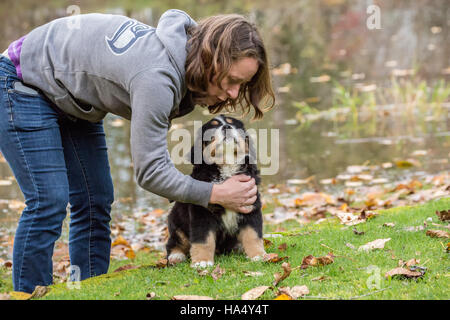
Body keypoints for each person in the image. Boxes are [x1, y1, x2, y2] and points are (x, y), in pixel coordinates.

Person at [0, 9, 275, 293]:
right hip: (23, 82)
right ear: (212, 58)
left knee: (96, 200)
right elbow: (151, 171)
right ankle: (29, 293)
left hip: (75, 100)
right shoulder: (157, 77)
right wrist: (216, 194)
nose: (233, 93)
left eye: (241, 85)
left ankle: (89, 290)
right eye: (232, 80)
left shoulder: (188, 57)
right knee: (49, 200)